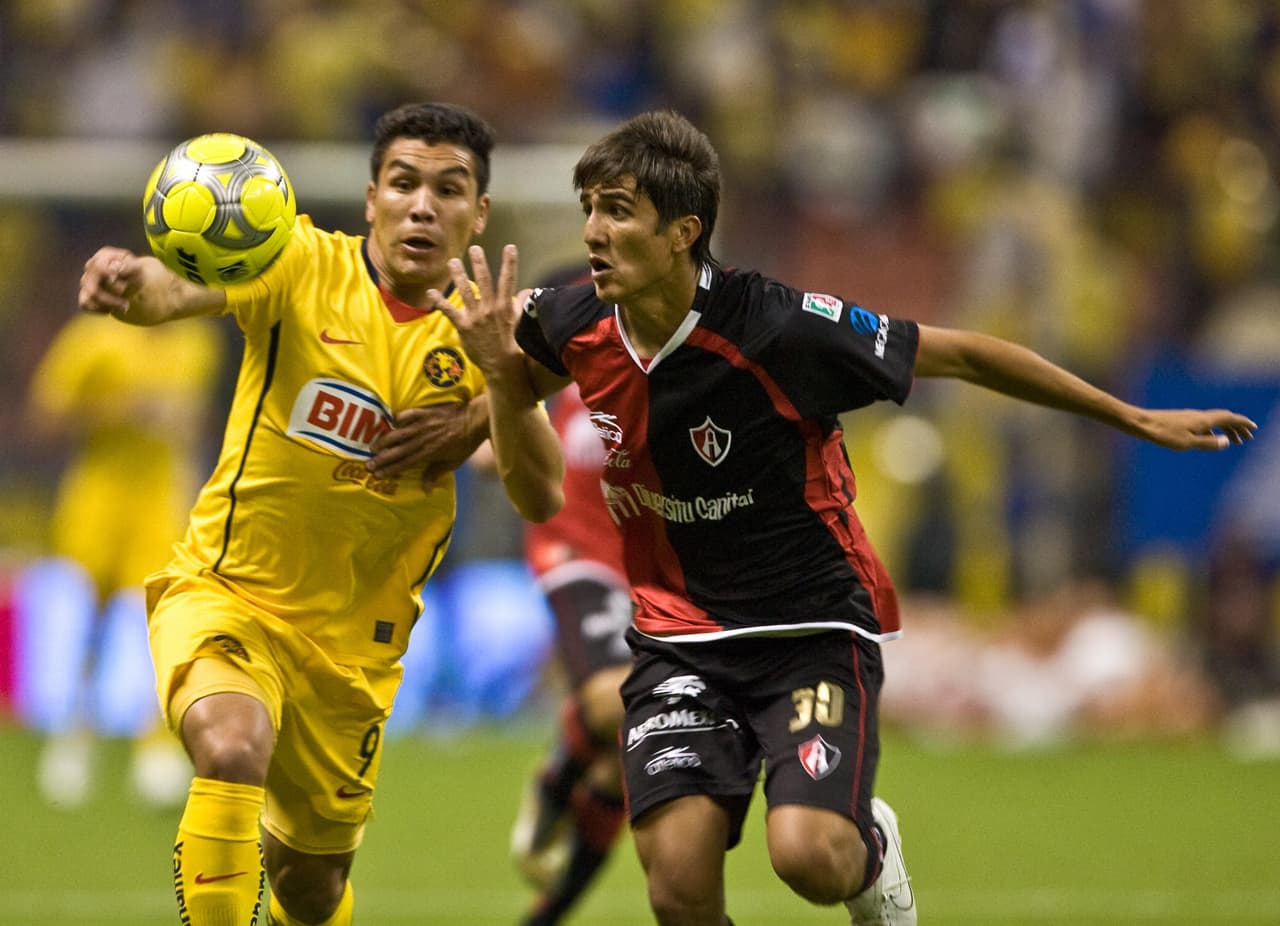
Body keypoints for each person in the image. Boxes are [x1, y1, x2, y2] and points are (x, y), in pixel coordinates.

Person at [445, 110, 1258, 926]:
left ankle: (872, 850)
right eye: (589, 206)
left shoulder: (779, 328)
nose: (592, 230)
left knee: (809, 856)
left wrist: (1135, 418)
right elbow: (520, 439)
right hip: (679, 635)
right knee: (678, 884)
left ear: (682, 231)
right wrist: (467, 410)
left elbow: (966, 354)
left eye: (617, 209)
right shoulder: (569, 319)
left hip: (808, 630)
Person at [77, 101, 564, 926]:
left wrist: (497, 396)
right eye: (403, 183)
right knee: (230, 748)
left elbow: (540, 495)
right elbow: (182, 288)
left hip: (352, 653)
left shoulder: (489, 333)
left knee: (311, 884)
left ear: (479, 214)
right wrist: (134, 285)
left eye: (449, 190)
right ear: (371, 196)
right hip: (231, 591)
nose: (422, 206)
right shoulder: (299, 261)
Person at [22, 310, 222, 809]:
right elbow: (44, 417)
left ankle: (154, 746)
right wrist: (120, 411)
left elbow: (197, 422)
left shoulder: (199, 343)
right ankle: (74, 734)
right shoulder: (94, 339)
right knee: (88, 619)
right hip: (97, 498)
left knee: (161, 623)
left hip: (160, 501)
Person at [508, 376, 632, 925]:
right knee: (617, 703)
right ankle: (558, 780)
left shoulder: (710, 325)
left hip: (662, 551)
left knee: (636, 749)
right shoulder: (568, 304)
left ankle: (548, 916)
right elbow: (510, 389)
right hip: (578, 540)